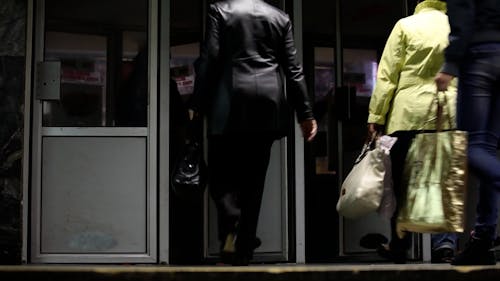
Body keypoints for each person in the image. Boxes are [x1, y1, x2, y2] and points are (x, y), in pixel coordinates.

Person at [189, 0, 317, 265]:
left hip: (229, 100)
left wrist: (198, 103)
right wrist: (305, 114)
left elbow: (210, 57)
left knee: (222, 176)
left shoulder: (220, 10)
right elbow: (293, 69)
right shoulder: (280, 17)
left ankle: (230, 229)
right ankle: (244, 250)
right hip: (267, 104)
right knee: (254, 181)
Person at [367, 0, 458, 264]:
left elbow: (387, 75)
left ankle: (400, 245)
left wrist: (376, 115)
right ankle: (444, 246)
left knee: (403, 183)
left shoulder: (405, 25)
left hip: (406, 115)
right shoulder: (456, 27)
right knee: (443, 182)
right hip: (446, 113)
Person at [435, 0, 500, 266]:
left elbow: (463, 13)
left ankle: (483, 238)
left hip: (480, 56)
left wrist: (450, 63)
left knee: (470, 147)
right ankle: (482, 239)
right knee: (486, 149)